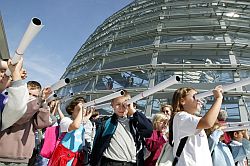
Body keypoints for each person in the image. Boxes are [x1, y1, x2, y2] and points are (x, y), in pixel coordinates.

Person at [90, 90, 153, 166]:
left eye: (124, 104)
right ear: (112, 105)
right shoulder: (106, 123)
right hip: (111, 162)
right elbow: (96, 147)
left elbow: (148, 131)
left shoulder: (135, 122)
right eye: (118, 104)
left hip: (132, 163)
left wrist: (133, 111)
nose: (121, 108)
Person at [0, 80, 53, 165]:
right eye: (29, 94)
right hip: (4, 157)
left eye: (35, 95)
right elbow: (21, 118)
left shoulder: (35, 106)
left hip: (23, 158)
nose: (31, 97)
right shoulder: (11, 103)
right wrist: (39, 100)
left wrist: (44, 103)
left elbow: (41, 124)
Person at [171, 85, 223, 166]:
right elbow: (207, 122)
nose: (199, 99)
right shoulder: (180, 117)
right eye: (195, 96)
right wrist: (218, 99)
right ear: (182, 101)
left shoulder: (192, 120)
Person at [48, 97, 92, 166]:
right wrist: (81, 110)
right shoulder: (66, 120)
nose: (83, 109)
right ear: (72, 109)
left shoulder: (82, 126)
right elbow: (75, 126)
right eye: (80, 106)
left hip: (75, 159)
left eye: (85, 107)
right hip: (63, 158)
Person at [0, 58, 29, 131]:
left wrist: (15, 72)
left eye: (7, 73)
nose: (3, 75)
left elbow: (17, 107)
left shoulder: (5, 100)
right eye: (1, 70)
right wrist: (8, 65)